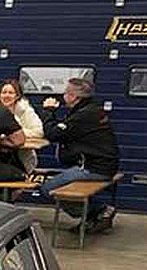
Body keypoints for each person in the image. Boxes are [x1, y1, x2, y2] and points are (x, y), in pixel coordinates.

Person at [40, 76, 120, 231]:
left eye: (66, 92)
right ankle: (96, 213)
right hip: (104, 166)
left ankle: (97, 211)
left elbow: (53, 134)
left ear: (73, 96)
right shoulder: (91, 109)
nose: (63, 96)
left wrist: (48, 111)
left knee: (48, 189)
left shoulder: (83, 115)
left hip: (94, 168)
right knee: (60, 182)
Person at [0, 78, 43, 173]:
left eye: (10, 93)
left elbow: (38, 131)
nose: (7, 95)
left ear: (17, 95)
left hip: (22, 159)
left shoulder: (26, 110)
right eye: (4, 92)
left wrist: (16, 134)